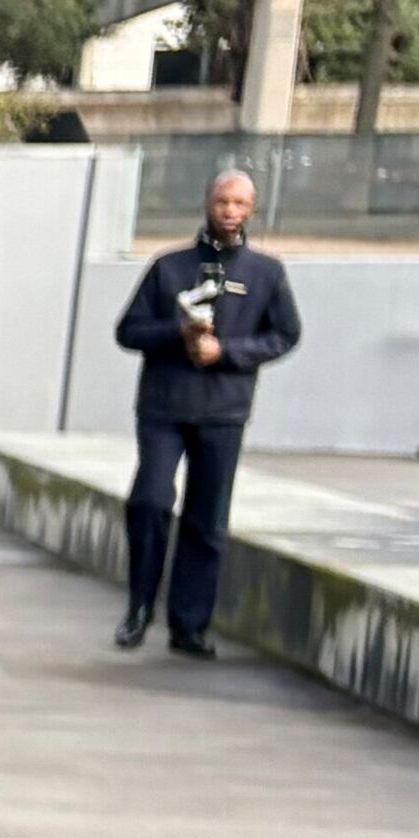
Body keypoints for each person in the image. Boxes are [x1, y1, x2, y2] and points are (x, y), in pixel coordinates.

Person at [109, 167, 301, 656]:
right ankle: (139, 608)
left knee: (207, 519)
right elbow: (128, 330)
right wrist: (178, 333)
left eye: (240, 204)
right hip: (165, 406)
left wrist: (228, 352)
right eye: (223, 202)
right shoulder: (169, 266)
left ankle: (189, 625)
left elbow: (285, 334)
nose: (230, 212)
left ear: (251, 209)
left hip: (224, 410)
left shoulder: (266, 273)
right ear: (207, 203)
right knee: (150, 501)